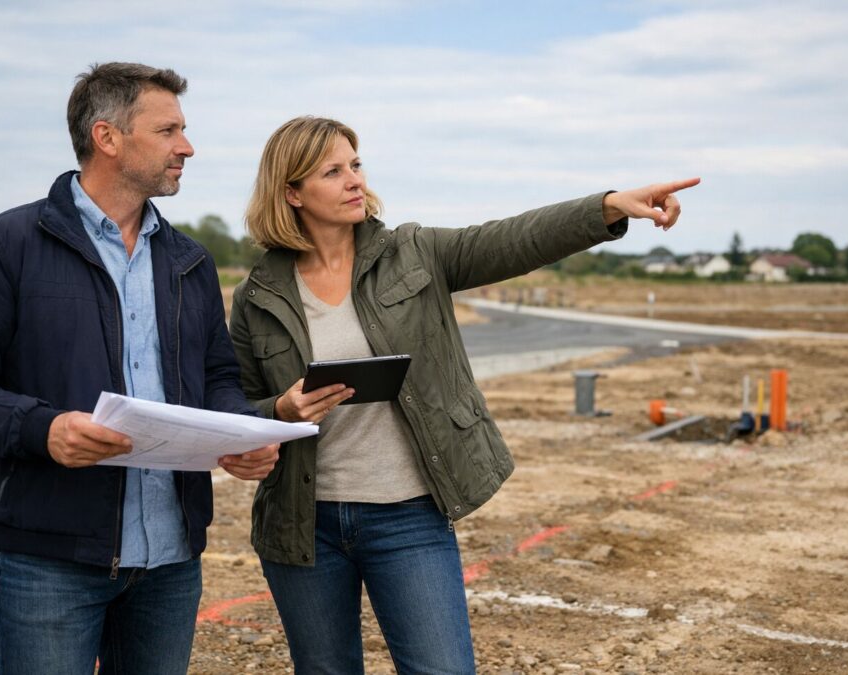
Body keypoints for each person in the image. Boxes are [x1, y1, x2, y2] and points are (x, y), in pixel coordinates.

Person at [229, 115, 699, 674]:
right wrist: (280, 409)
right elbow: (238, 407)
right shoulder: (257, 294)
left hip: (408, 517)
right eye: (332, 171)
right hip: (303, 522)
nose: (354, 179)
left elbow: (514, 239)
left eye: (355, 164)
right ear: (291, 192)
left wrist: (609, 207)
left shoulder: (415, 252)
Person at [0, 62, 279, 675]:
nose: (187, 147)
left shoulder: (190, 261)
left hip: (170, 558)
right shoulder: (2, 246)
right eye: (168, 131)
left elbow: (217, 377)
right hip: (47, 560)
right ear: (107, 138)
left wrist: (240, 433)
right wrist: (43, 429)